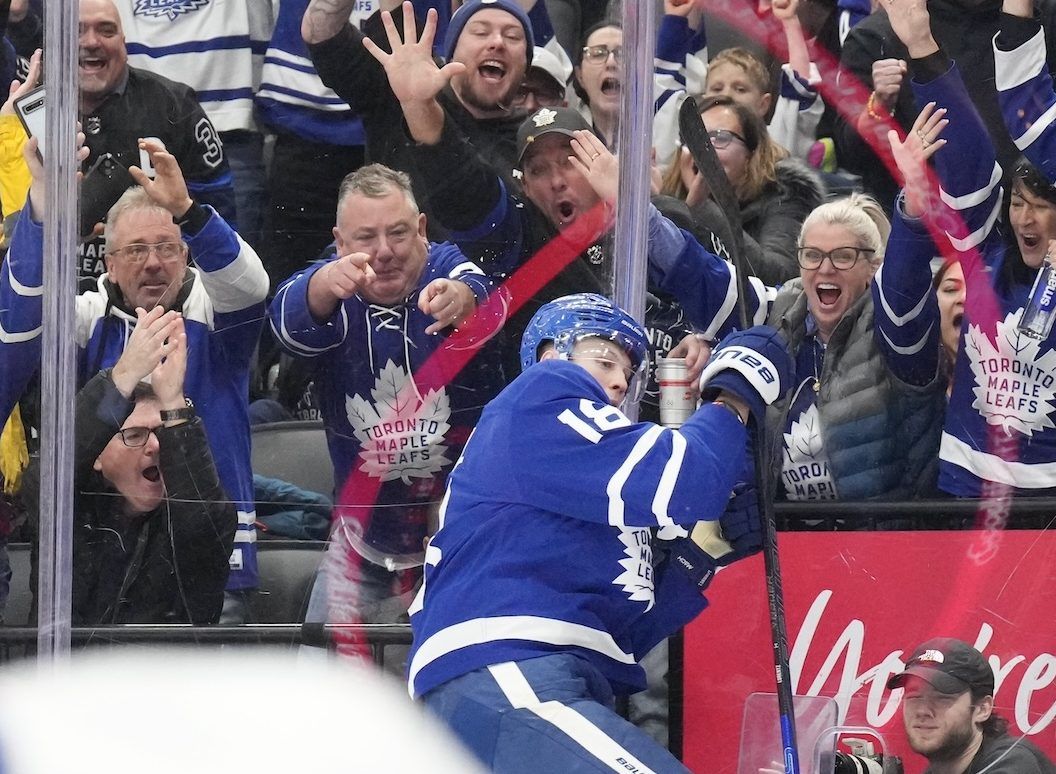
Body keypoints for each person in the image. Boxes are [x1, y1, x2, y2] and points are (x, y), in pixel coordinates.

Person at [408, 292, 793, 773]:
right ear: (550, 355)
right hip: (506, 675)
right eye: (604, 359)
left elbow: (625, 635)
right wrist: (736, 391)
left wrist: (702, 551)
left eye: (628, 375)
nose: (617, 381)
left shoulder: (578, 473)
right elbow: (688, 481)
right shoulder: (543, 393)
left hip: (520, 687)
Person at [0, 116, 269, 609]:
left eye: (167, 247)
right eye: (136, 250)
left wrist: (189, 211)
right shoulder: (84, 318)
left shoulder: (215, 312)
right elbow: (20, 314)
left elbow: (251, 286)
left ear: (188, 254)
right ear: (107, 260)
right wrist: (48, 208)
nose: (152, 263)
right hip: (98, 554)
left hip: (208, 557)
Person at [267, 163, 507, 655]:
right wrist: (321, 288)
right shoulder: (331, 286)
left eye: (398, 233)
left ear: (420, 229)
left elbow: (483, 295)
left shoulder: (448, 268)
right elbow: (283, 323)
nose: (383, 252)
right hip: (359, 545)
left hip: (461, 548)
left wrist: (462, 302)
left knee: (439, 698)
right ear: (339, 241)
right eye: (365, 237)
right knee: (313, 689)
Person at [871, 0, 1056, 498]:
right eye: (1018, 203)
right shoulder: (988, 262)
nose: (1025, 218)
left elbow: (1037, 120)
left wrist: (1019, 16)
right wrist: (923, 48)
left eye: (1042, 205)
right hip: (961, 498)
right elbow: (972, 158)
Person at [661, 188, 945, 504]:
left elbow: (907, 285)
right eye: (812, 255)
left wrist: (913, 213)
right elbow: (698, 274)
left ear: (874, 267)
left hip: (882, 537)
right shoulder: (776, 313)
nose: (825, 268)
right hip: (790, 535)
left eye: (843, 256)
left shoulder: (893, 329)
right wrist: (634, 206)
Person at [23, 308, 236, 624]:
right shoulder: (67, 510)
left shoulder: (195, 522)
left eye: (161, 435)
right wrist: (122, 377)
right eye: (134, 435)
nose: (153, 446)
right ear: (96, 455)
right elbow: (47, 476)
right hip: (70, 673)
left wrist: (174, 403)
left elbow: (202, 520)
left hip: (162, 674)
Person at [302, 0, 568, 220]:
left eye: (512, 36)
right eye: (480, 32)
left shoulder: (535, 144)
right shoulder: (397, 87)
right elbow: (321, 32)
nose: (497, 42)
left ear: (524, 68)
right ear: (451, 53)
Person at [832, 0, 1056, 212]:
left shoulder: (1039, 14)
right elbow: (850, 153)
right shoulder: (881, 33)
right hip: (925, 228)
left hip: (1037, 220)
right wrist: (878, 106)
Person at [76, 0, 237, 281]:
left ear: (125, 44)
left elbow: (216, 215)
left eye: (106, 30)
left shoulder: (175, 104)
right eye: (77, 31)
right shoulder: (31, 110)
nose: (91, 42)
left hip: (159, 289)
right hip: (59, 290)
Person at [660, 94, 826, 286]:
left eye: (720, 137)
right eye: (694, 138)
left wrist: (702, 207)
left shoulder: (785, 195)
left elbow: (779, 279)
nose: (703, 147)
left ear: (750, 154)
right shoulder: (668, 203)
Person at [887, 638, 1056, 773]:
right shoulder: (938, 769)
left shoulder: (1013, 763)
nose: (923, 711)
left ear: (983, 709)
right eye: (914, 697)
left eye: (942, 698)